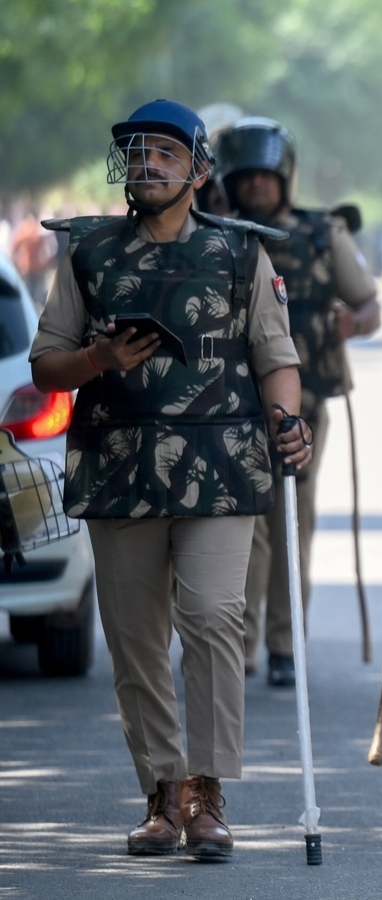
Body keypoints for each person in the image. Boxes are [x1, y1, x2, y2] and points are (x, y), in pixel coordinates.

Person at [29, 99, 311, 859]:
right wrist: (96, 362)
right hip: (120, 470)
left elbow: (274, 355)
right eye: (138, 154)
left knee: (216, 617)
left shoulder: (239, 254)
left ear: (199, 170)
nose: (148, 165)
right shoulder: (87, 254)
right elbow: (46, 360)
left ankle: (209, 791)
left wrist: (287, 421)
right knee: (135, 640)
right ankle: (162, 791)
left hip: (221, 469)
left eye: (165, 153)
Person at [213, 117, 382, 684]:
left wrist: (349, 323)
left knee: (291, 520)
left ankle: (286, 645)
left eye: (267, 177)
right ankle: (242, 645)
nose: (257, 187)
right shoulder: (212, 233)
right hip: (228, 405)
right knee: (244, 522)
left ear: (285, 177)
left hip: (302, 403)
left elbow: (370, 307)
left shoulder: (321, 233)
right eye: (247, 178)